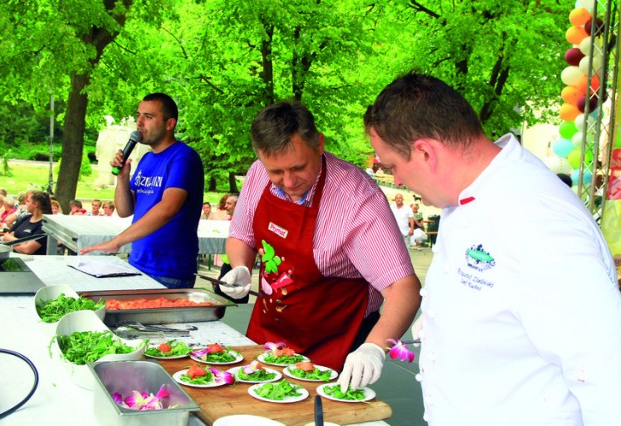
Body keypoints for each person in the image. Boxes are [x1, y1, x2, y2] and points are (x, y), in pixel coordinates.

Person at [364, 71, 621, 425]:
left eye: (393, 166)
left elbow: (608, 379)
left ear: (425, 152)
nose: (397, 180)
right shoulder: (466, 194)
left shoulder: (541, 224)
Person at [218, 101, 421, 390]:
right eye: (276, 171)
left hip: (333, 343)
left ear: (319, 145)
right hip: (268, 332)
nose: (288, 181)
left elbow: (404, 288)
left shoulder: (358, 200)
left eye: (298, 168)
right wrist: (240, 266)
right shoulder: (257, 174)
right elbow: (242, 235)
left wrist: (374, 347)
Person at [80, 93, 204, 289]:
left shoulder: (183, 157)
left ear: (169, 123)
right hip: (138, 262)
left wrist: (117, 241)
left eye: (148, 116)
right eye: (138, 115)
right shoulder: (146, 159)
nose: (139, 122)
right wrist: (122, 178)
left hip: (169, 271)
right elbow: (124, 210)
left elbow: (167, 208)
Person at [1, 191, 51, 255]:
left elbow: (27, 250)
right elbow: (5, 236)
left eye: (28, 201)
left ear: (36, 204)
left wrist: (12, 242)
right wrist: (25, 243)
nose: (25, 203)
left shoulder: (44, 225)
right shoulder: (26, 218)